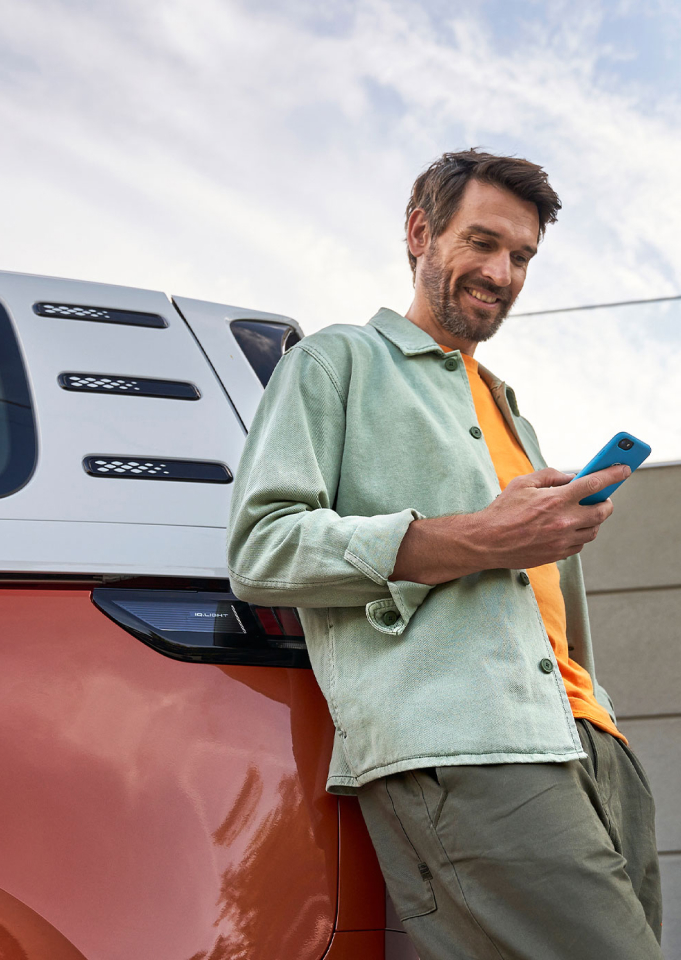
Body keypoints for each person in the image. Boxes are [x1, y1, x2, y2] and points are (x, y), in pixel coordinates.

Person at [226, 149, 662, 960]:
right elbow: (263, 548)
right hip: (472, 748)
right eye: (483, 242)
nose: (503, 273)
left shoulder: (508, 409)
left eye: (522, 256)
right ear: (420, 232)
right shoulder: (336, 362)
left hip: (592, 743)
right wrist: (482, 537)